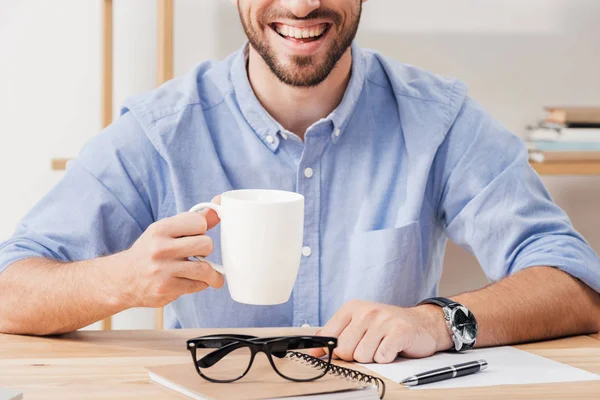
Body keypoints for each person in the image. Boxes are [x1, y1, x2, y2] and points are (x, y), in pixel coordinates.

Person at [0, 0, 599, 364]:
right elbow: (9, 287)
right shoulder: (161, 131)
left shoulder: (437, 120)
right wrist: (121, 280)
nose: (303, 5)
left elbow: (576, 281)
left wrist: (437, 321)